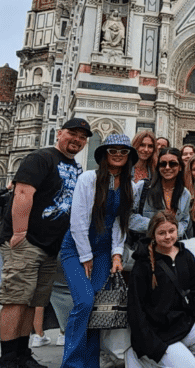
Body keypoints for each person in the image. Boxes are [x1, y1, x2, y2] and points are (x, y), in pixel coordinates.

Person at [0, 118, 91, 368]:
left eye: (82, 137)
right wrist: (19, 232)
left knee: (33, 301)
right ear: (59, 133)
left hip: (51, 247)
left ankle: (22, 353)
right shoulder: (40, 158)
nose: (77, 140)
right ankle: (7, 358)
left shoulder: (75, 168)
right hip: (27, 242)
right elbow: (22, 193)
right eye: (72, 133)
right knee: (16, 299)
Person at [59, 133, 136, 368]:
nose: (118, 155)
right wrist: (85, 255)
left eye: (123, 151)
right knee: (84, 302)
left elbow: (119, 223)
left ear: (129, 157)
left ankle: (91, 363)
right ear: (104, 154)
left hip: (103, 252)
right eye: (113, 150)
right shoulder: (88, 179)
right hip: (76, 248)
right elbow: (78, 220)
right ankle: (72, 363)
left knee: (95, 310)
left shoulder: (128, 185)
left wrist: (116, 255)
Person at [126, 211, 195, 368]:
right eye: (162, 233)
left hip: (183, 325)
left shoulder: (185, 255)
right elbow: (135, 309)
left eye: (171, 231)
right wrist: (152, 345)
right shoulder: (142, 264)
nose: (168, 236)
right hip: (159, 335)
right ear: (153, 234)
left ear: (177, 230)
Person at [130, 148, 191, 238]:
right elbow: (129, 217)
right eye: (163, 164)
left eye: (172, 164)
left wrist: (173, 230)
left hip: (170, 247)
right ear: (158, 167)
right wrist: (156, 226)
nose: (167, 167)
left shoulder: (185, 194)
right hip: (145, 246)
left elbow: (184, 221)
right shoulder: (143, 187)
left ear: (180, 167)